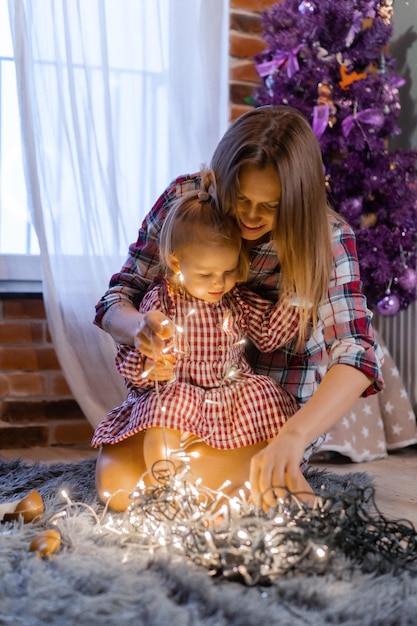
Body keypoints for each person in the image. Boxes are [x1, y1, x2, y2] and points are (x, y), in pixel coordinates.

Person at [93, 105, 384, 512]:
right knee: (119, 490)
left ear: (297, 201)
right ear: (220, 180)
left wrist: (293, 438)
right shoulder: (186, 202)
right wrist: (139, 325)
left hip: (265, 410)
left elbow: (355, 355)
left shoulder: (328, 239)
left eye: (271, 206)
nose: (250, 215)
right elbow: (116, 297)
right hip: (181, 399)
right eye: (240, 198)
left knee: (199, 493)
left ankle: (255, 468)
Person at [92, 182, 306, 506]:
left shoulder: (236, 300)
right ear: (177, 264)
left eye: (229, 271)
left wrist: (298, 299)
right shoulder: (162, 301)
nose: (219, 283)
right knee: (162, 417)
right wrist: (152, 363)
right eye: (207, 274)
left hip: (231, 391)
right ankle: (168, 486)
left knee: (267, 400)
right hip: (181, 391)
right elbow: (138, 358)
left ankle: (273, 474)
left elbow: (268, 335)